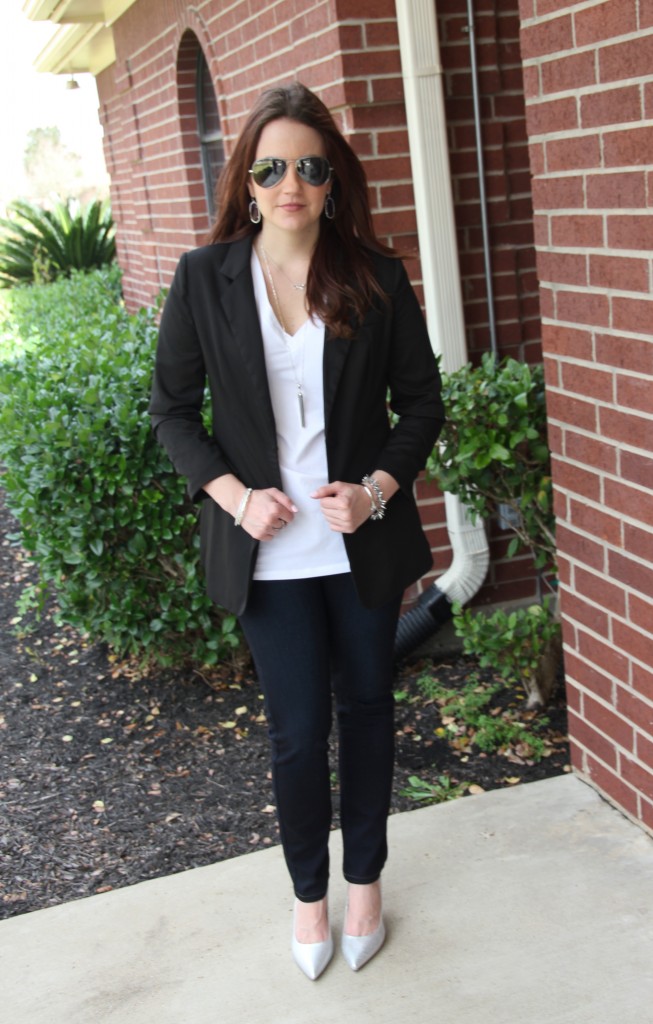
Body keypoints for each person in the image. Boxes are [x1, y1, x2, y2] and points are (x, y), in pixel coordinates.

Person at [149, 81, 444, 980]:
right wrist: (236, 497)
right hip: (267, 554)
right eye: (272, 166)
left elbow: (420, 402)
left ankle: (365, 884)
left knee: (366, 709)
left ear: (330, 182)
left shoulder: (373, 274)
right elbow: (172, 410)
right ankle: (308, 895)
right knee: (293, 730)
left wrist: (376, 490)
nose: (291, 183)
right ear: (247, 179)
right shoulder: (206, 278)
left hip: (356, 542)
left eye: (309, 168)